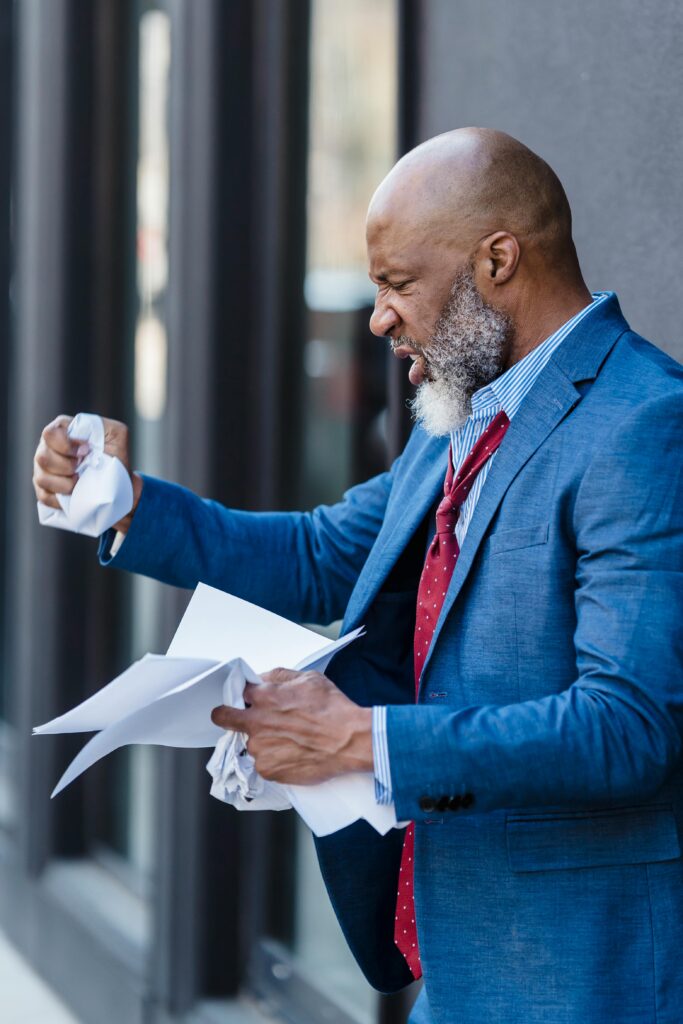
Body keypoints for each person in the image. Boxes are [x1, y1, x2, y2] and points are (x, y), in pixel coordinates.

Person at [33, 128, 683, 1024]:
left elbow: (630, 727)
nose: (376, 317)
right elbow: (319, 556)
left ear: (497, 260)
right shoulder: (453, 416)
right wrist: (123, 504)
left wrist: (360, 744)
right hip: (447, 973)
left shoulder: (644, 424)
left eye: (397, 284)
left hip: (581, 978)